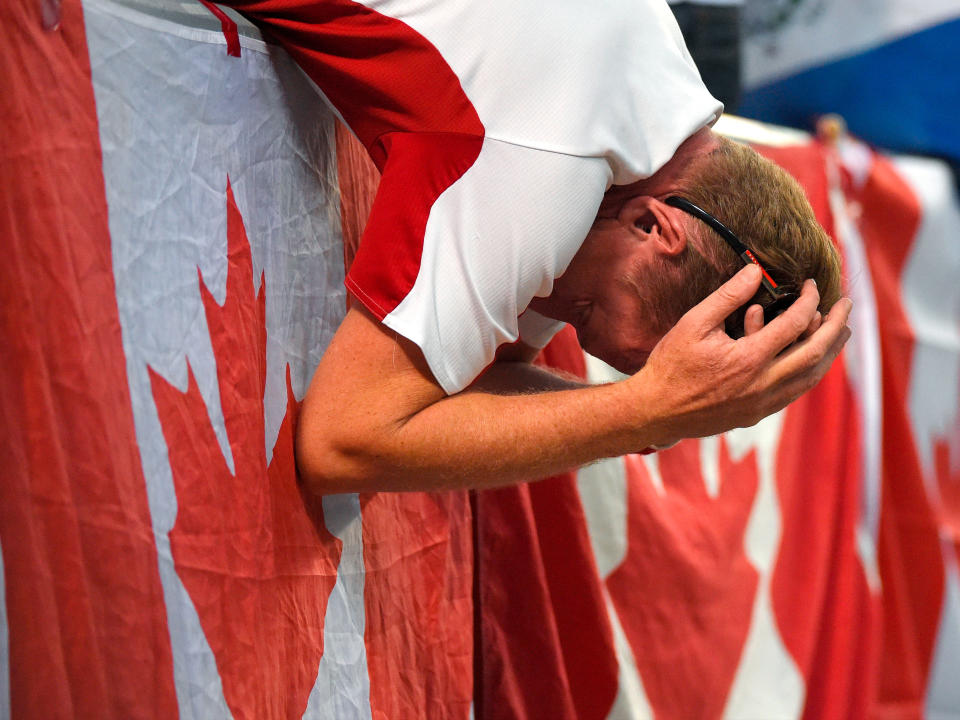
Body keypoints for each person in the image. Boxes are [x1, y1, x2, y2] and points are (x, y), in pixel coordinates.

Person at [219, 0, 852, 493]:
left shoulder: (656, 94)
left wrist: (662, 409)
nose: (556, 312)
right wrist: (648, 412)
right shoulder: (544, 164)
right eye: (586, 314)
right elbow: (341, 440)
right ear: (658, 230)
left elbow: (475, 378)